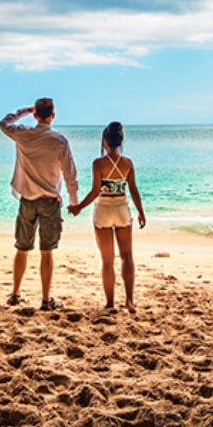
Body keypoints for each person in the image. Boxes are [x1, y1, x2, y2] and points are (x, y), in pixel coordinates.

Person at [0, 97, 79, 311]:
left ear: (35, 115)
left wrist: (24, 109)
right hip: (50, 201)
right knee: (47, 252)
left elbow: (4, 123)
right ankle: (45, 300)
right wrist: (74, 202)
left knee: (22, 249)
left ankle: (15, 294)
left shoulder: (23, 134)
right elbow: (70, 174)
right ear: (52, 116)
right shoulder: (59, 140)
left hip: (27, 200)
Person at [69, 121, 146, 312]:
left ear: (105, 141)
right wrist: (141, 212)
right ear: (120, 142)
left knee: (107, 261)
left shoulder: (98, 163)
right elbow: (134, 191)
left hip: (103, 209)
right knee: (127, 257)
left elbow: (95, 191)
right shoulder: (127, 163)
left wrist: (79, 207)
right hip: (121, 209)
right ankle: (129, 301)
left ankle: (110, 303)